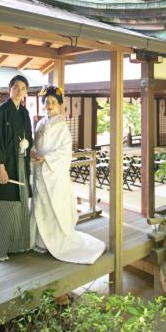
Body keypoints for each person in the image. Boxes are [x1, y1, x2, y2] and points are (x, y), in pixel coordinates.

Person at [31, 85, 106, 264]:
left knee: (53, 205)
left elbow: (65, 151)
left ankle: (56, 241)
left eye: (53, 102)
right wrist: (34, 152)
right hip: (40, 171)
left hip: (53, 172)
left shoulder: (62, 125)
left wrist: (46, 158)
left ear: (59, 105)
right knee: (40, 205)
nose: (49, 105)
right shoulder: (41, 123)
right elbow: (35, 143)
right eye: (47, 102)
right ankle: (41, 242)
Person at [0, 75, 33, 262]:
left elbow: (29, 138)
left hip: (21, 164)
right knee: (5, 207)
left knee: (20, 207)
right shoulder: (2, 111)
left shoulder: (24, 113)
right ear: (9, 89)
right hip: (6, 165)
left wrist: (29, 148)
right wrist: (1, 169)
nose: (19, 91)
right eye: (16, 87)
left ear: (26, 92)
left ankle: (17, 245)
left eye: (23, 88)